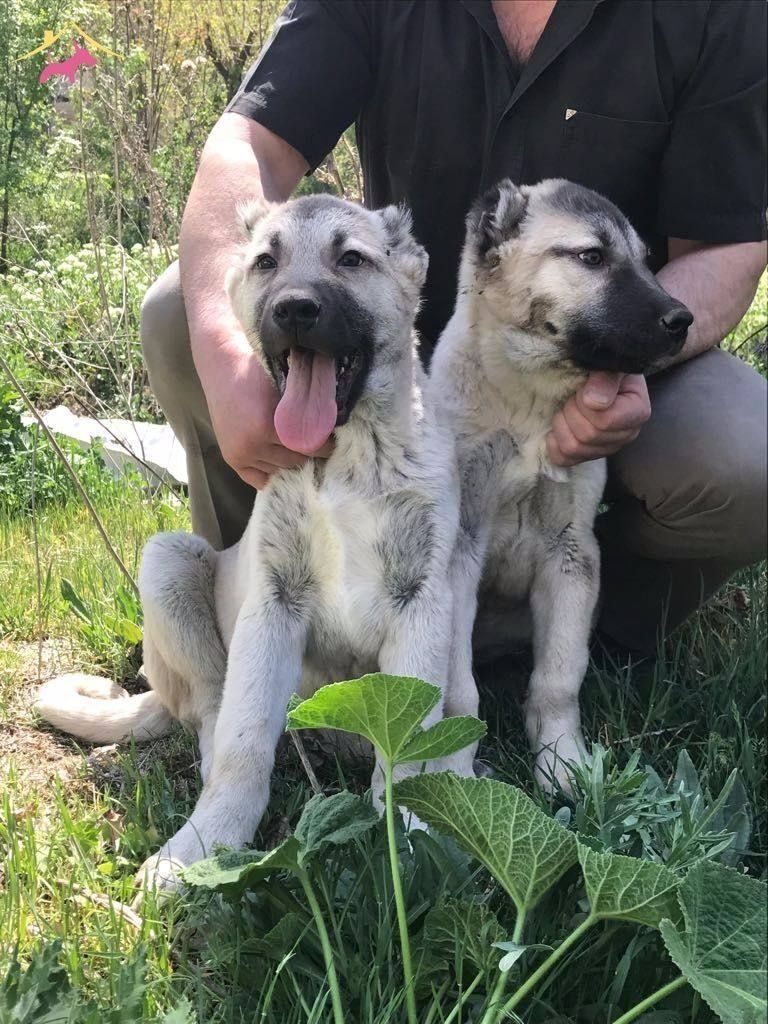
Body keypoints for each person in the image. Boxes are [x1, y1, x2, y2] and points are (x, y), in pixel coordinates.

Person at [141, 0, 767, 655]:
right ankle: (270, 616)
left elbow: (725, 248)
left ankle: (559, 632)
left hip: (587, 364)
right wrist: (222, 349)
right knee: (176, 315)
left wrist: (626, 363)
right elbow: (250, 144)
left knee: (748, 455)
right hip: (393, 359)